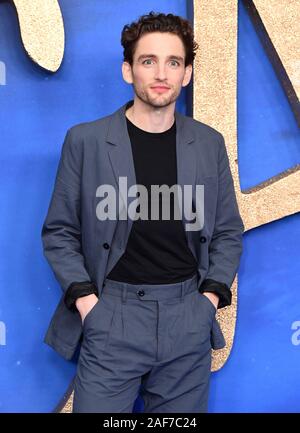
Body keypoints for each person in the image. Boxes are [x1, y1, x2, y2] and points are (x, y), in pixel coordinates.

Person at [41, 11, 244, 413]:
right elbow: (59, 232)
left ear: (186, 74)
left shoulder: (208, 144)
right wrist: (87, 303)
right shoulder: (86, 141)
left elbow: (227, 231)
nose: (161, 73)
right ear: (127, 70)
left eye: (174, 62)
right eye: (148, 61)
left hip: (187, 315)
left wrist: (208, 300)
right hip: (111, 315)